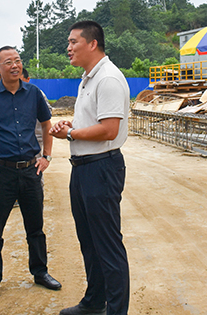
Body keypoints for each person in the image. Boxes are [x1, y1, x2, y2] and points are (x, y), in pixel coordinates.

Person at [51, 21, 130, 315]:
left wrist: (70, 134)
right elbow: (93, 122)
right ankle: (95, 301)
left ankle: (116, 310)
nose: (68, 48)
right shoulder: (88, 78)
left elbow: (109, 130)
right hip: (83, 168)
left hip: (101, 168)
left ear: (92, 44)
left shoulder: (107, 78)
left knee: (107, 244)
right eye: (68, 43)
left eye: (74, 42)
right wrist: (71, 124)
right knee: (89, 241)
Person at [0, 46, 60, 299]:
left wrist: (46, 157)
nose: (14, 65)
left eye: (18, 60)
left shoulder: (33, 93)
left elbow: (46, 123)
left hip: (31, 170)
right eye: (8, 62)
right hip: (1, 173)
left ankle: (40, 272)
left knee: (36, 227)